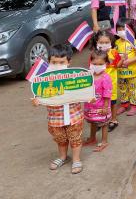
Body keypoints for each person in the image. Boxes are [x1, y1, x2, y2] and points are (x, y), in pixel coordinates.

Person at [31, 44, 84, 174]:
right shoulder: (44, 79)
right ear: (49, 61)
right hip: (55, 118)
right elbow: (38, 96)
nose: (57, 65)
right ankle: (62, 157)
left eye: (61, 62)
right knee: (60, 139)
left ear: (69, 62)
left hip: (74, 116)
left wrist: (90, 97)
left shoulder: (75, 76)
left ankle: (76, 159)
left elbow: (85, 91)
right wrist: (36, 101)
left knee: (75, 138)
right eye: (54, 62)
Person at [90, 30, 120, 131]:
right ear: (96, 43)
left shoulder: (114, 53)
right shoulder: (94, 54)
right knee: (99, 101)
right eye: (101, 42)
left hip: (111, 82)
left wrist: (121, 60)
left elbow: (118, 65)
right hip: (98, 83)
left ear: (111, 43)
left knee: (112, 101)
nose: (104, 45)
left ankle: (114, 119)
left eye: (106, 42)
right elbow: (90, 68)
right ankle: (100, 119)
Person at [83, 50, 112, 152]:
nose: (97, 66)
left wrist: (105, 107)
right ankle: (92, 138)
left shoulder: (105, 77)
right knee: (93, 122)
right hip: (90, 106)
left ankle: (104, 141)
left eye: (100, 64)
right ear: (90, 63)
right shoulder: (88, 75)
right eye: (94, 64)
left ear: (106, 64)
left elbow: (107, 94)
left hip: (102, 106)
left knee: (103, 123)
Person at [115, 18, 136, 116]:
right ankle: (124, 104)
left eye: (123, 29)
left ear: (130, 30)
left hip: (132, 72)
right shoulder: (116, 43)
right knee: (122, 88)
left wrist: (129, 61)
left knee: (133, 89)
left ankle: (134, 106)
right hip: (120, 72)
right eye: (118, 29)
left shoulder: (133, 42)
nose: (121, 31)